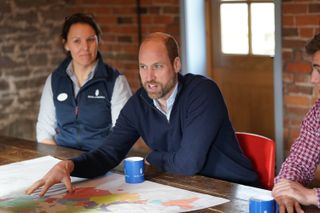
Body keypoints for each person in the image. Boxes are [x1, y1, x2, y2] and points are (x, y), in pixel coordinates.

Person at [26, 32, 259, 196]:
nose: (149, 78)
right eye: (142, 67)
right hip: (189, 190)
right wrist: (69, 166)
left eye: (157, 66)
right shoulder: (138, 105)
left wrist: (154, 157)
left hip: (236, 190)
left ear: (176, 64)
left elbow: (189, 163)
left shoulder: (203, 92)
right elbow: (108, 154)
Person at [36, 13, 132, 151]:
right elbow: (44, 132)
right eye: (77, 41)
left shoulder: (115, 81)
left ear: (98, 41)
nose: (85, 47)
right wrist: (59, 162)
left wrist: (95, 163)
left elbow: (122, 135)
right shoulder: (54, 80)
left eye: (90, 40)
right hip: (62, 161)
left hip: (103, 161)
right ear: (66, 44)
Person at [272, 33, 320, 213]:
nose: (313, 79)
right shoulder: (318, 113)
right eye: (314, 69)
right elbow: (299, 162)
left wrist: (311, 195)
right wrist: (286, 189)